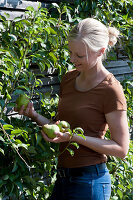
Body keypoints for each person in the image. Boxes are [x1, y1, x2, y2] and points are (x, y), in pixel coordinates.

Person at [15, 18, 129, 200]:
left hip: (90, 182)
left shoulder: (110, 89)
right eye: (71, 53)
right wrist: (34, 115)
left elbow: (121, 149)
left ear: (100, 51)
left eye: (79, 55)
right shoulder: (69, 79)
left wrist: (73, 137)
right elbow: (60, 128)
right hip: (62, 179)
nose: (72, 59)